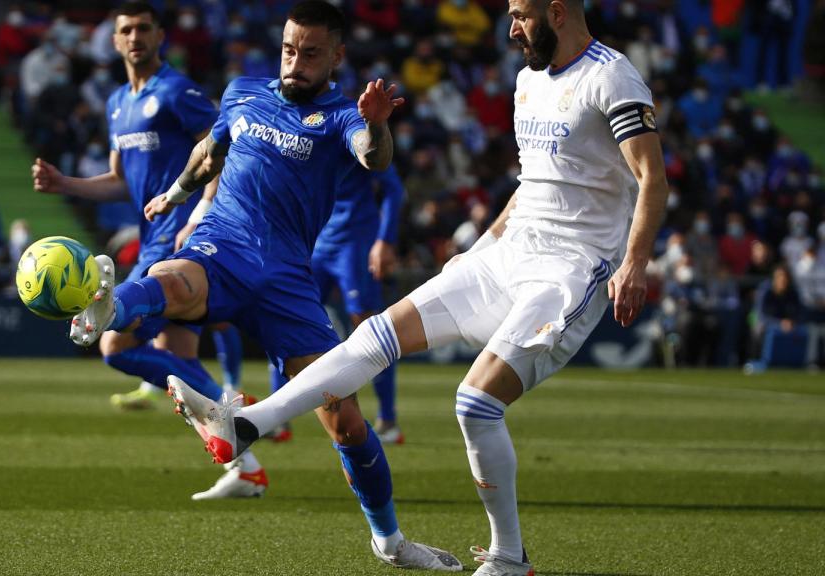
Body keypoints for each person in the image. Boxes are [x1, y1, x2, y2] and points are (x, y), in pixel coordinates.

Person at [169, 1, 668, 575]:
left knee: (475, 403)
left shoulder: (611, 75)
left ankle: (508, 557)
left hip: (570, 270)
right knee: (375, 334)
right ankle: (245, 425)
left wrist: (635, 262)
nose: (510, 28)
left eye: (519, 14)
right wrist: (482, 248)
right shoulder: (528, 79)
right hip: (506, 255)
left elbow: (651, 175)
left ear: (556, 12)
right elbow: (532, 185)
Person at [70, 1, 461, 571]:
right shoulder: (241, 92)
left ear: (336, 57)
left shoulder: (339, 114)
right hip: (223, 243)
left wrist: (376, 122)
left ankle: (391, 543)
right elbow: (210, 153)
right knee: (172, 279)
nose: (295, 62)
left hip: (286, 278)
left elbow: (373, 159)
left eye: (310, 53)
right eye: (288, 49)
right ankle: (104, 310)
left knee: (346, 422)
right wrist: (176, 196)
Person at [30, 2, 258, 499]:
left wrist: (200, 215)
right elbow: (119, 181)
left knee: (114, 345)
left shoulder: (176, 91)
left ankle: (236, 420)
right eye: (125, 30)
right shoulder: (117, 102)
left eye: (143, 29)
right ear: (113, 41)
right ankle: (244, 460)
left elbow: (224, 151)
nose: (134, 37)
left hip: (182, 239)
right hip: (155, 235)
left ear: (160, 36)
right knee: (176, 360)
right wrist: (63, 183)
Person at [267, 162, 405, 444]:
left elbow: (394, 188)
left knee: (368, 326)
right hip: (317, 242)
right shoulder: (308, 132)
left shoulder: (355, 129)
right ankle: (276, 421)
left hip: (356, 242)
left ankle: (388, 420)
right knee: (286, 318)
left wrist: (385, 240)